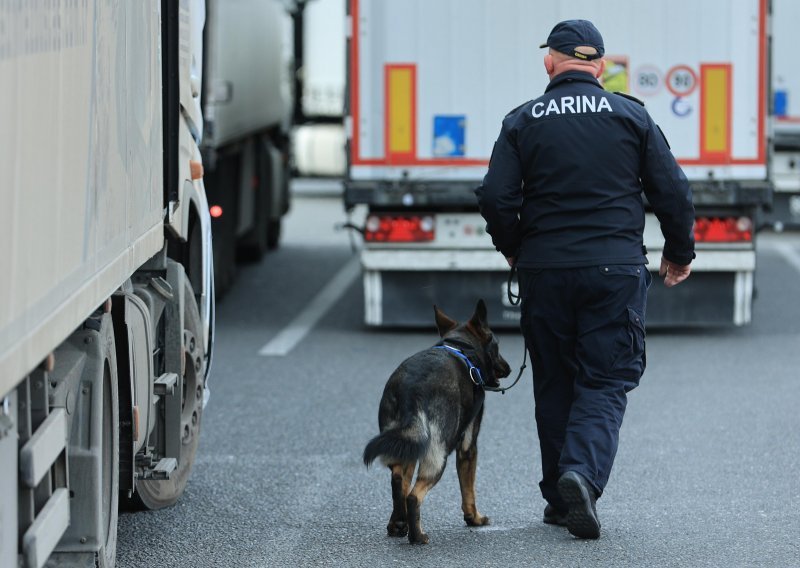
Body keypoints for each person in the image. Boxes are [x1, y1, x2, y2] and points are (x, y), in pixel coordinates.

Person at [475, 19, 695, 539]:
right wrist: (679, 253)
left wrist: (515, 250)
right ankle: (580, 475)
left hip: (545, 271)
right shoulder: (630, 115)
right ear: (599, 66)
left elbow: (495, 197)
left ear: (549, 62)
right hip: (613, 270)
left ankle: (559, 497)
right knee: (604, 377)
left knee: (554, 381)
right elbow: (673, 192)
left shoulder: (523, 120)